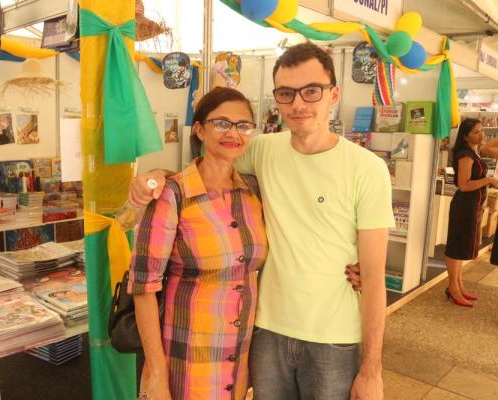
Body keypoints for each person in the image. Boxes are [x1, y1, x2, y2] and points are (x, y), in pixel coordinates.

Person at [130, 42, 392, 399]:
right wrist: (156, 176)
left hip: (335, 339)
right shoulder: (262, 149)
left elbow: (375, 278)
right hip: (264, 332)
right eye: (287, 93)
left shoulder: (367, 169)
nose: (299, 103)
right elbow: (204, 170)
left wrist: (372, 370)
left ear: (334, 94)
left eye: (311, 91)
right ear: (277, 99)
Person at [128, 87, 269, 400]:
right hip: (186, 363)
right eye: (221, 124)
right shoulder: (173, 194)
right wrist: (157, 376)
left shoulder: (252, 192)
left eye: (243, 125)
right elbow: (143, 287)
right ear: (200, 130)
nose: (233, 133)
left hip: (238, 362)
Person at [445, 118, 498, 306]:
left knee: (461, 248)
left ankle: (458, 285)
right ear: (466, 136)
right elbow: (464, 185)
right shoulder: (465, 154)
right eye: (476, 132)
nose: (481, 135)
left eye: (482, 131)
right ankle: (453, 288)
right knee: (455, 248)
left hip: (473, 205)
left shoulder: (474, 151)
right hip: (464, 206)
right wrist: (488, 181)